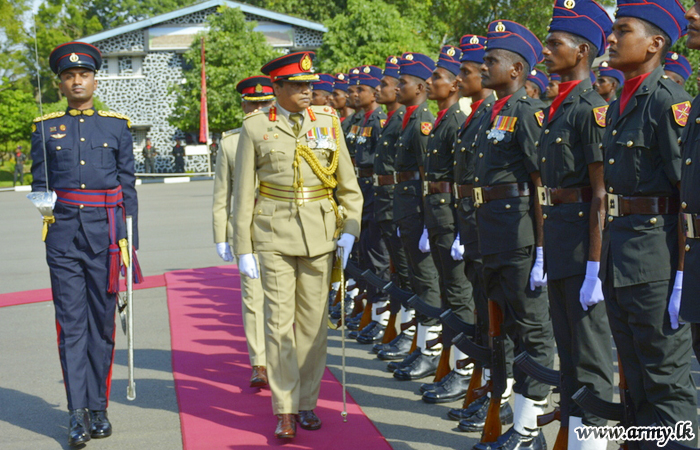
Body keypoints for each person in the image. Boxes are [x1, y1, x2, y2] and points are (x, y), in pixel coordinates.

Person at [232, 51, 362, 439]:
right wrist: (243, 248)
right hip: (272, 233)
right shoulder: (255, 127)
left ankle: (307, 402)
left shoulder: (327, 122)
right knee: (277, 324)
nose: (308, 91)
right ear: (278, 88)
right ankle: (284, 408)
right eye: (299, 85)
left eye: (310, 84)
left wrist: (351, 229)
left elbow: (348, 184)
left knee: (313, 327)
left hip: (321, 233)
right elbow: (243, 194)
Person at [30, 41, 140, 448]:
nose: (77, 81)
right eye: (69, 76)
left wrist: (129, 240)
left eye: (84, 75)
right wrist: (48, 218)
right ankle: (76, 413)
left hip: (108, 237)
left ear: (95, 79)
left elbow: (128, 187)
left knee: (104, 325)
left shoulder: (116, 126)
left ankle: (99, 407)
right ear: (60, 84)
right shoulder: (44, 127)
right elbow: (39, 186)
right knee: (71, 325)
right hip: (63, 239)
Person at [601, 0, 698, 441]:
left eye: (623, 30)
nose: (612, 38)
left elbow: (686, 195)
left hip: (657, 263)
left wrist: (681, 275)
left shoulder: (669, 102)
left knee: (666, 383)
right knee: (634, 379)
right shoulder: (621, 101)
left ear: (655, 43)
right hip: (620, 256)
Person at [471, 20, 555, 449]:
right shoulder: (495, 110)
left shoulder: (527, 111)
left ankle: (527, 431)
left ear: (517, 68)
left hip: (521, 237)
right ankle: (514, 420)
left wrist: (542, 249)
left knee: (533, 332)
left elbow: (540, 183)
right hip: (496, 236)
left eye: (492, 60)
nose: (485, 66)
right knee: (503, 330)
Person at [537, 1, 614, 448]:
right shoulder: (558, 106)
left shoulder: (590, 109)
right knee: (567, 357)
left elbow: (600, 193)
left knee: (590, 361)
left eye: (555, 43)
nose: (546, 52)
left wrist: (594, 267)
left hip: (584, 248)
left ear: (582, 50)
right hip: (562, 242)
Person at [446, 33, 504, 429]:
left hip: (495, 228)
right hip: (472, 221)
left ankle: (500, 393)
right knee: (484, 317)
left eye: (469, 71)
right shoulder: (477, 114)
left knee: (499, 320)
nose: (464, 77)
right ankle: (486, 385)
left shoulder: (495, 112)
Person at [419, 44, 473, 403]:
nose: (430, 81)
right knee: (449, 297)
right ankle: (451, 365)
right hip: (436, 216)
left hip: (451, 218)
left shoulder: (455, 121)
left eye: (437, 77)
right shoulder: (442, 119)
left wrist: (459, 229)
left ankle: (464, 371)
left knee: (459, 295)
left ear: (454, 85)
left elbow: (460, 178)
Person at [213, 75, 274, 389]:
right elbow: (222, 194)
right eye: (254, 104)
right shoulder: (231, 142)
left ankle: (281, 358)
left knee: (283, 299)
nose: (259, 110)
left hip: (280, 227)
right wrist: (221, 235)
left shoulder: (283, 134)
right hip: (247, 230)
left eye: (264, 104)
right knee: (253, 299)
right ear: (244, 105)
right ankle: (259, 363)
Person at [389, 52, 442, 380]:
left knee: (425, 281)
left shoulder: (423, 121)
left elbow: (426, 175)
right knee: (413, 280)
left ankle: (431, 351)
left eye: (403, 82)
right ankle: (420, 345)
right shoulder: (409, 118)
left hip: (416, 209)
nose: (396, 87)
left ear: (420, 86)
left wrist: (425, 221)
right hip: (403, 206)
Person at [372, 56, 414, 361]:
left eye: (388, 84)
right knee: (392, 269)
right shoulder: (392, 119)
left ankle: (412, 333)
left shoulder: (408, 120)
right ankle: (397, 327)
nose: (384, 89)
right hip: (386, 199)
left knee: (403, 270)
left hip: (401, 201)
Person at [350, 65, 391, 345]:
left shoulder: (377, 120)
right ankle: (369, 309)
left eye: (360, 89)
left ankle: (380, 316)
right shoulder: (360, 120)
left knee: (378, 257)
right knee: (363, 252)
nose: (356, 94)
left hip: (374, 192)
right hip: (360, 189)